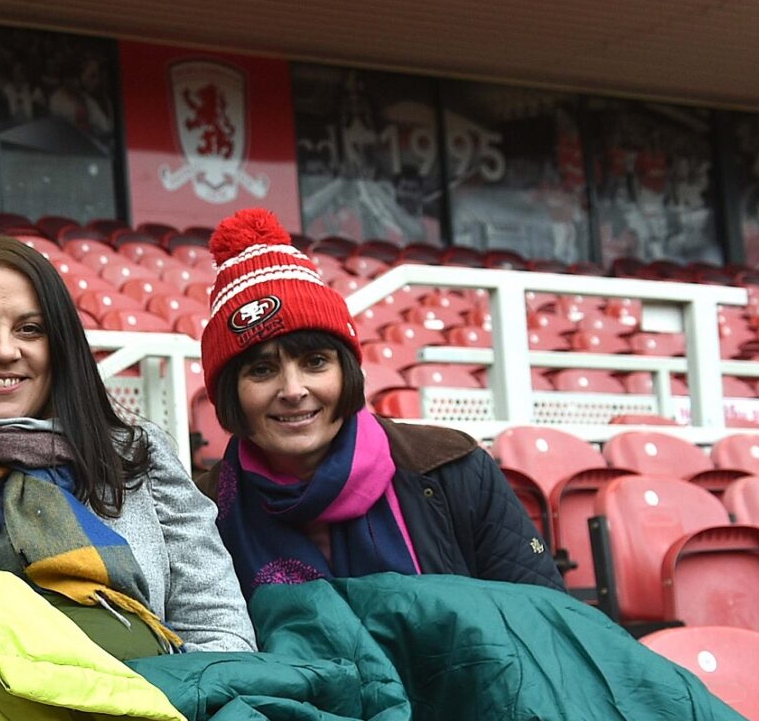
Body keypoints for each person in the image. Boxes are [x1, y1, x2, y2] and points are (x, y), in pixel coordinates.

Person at [0, 236, 255, 657]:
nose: (4, 350)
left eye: (30, 329)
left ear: (60, 345)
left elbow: (223, 634)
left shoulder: (140, 459)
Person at [198, 208, 562, 594]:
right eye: (261, 371)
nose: (293, 390)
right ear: (229, 392)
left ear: (348, 372)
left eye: (315, 362)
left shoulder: (454, 470)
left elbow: (546, 621)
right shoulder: (202, 511)